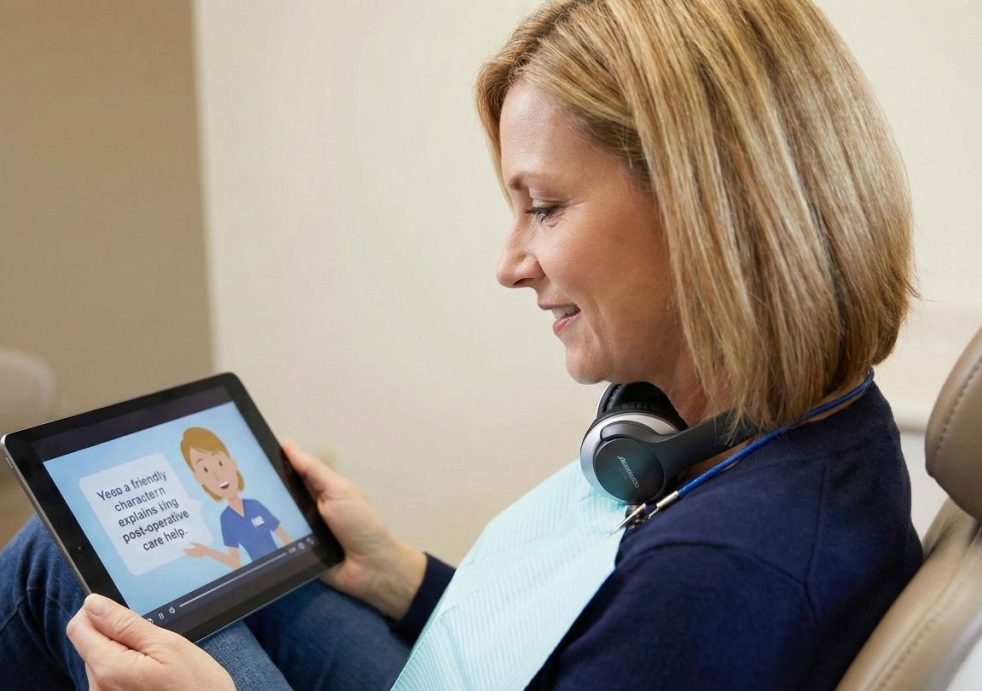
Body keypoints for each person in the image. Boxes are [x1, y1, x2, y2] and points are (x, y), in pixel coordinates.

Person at [0, 0, 921, 688]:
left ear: (704, 202)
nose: (510, 264)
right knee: (121, 552)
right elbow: (582, 651)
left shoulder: (722, 576)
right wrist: (402, 577)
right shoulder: (791, 429)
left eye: (544, 206)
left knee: (63, 565)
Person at [179, 426, 292, 568]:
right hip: (263, 573)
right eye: (205, 469)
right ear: (198, 479)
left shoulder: (255, 505)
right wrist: (207, 552)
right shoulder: (226, 519)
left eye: (219, 463)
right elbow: (235, 562)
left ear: (232, 462)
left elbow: (287, 540)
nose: (218, 475)